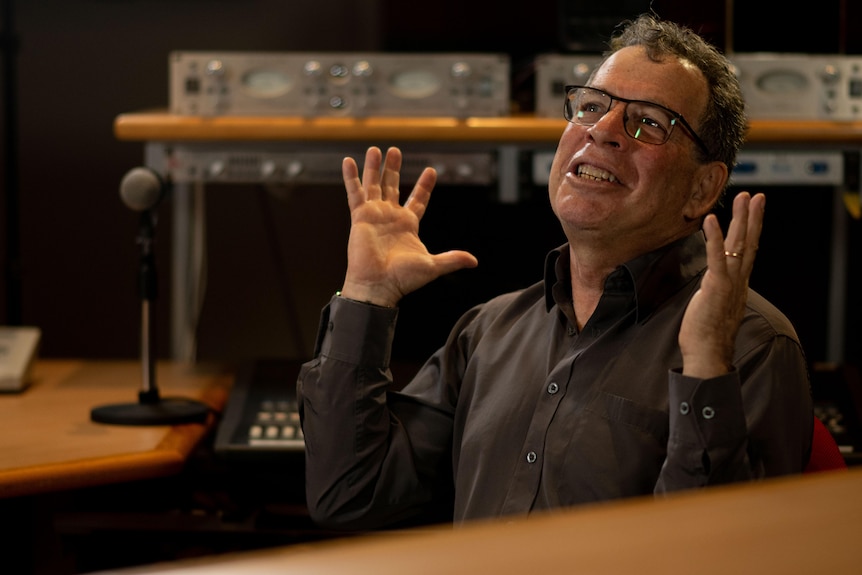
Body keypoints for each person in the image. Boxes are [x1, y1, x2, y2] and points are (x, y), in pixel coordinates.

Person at [297, 14, 813, 530]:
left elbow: (715, 554)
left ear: (702, 189)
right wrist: (366, 296)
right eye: (590, 106)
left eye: (649, 122)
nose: (602, 131)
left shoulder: (749, 346)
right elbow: (349, 495)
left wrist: (703, 370)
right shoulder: (487, 332)